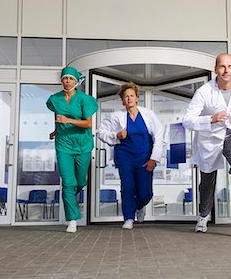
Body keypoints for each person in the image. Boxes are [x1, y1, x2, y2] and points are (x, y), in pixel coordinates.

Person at [183, 53, 231, 233]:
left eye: (230, 66)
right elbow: (188, 120)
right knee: (207, 179)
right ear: (215, 69)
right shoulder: (204, 91)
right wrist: (211, 119)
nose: (226, 70)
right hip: (210, 138)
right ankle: (203, 216)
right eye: (222, 66)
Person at [97, 82, 165, 230]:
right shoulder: (116, 116)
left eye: (131, 96)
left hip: (145, 158)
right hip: (124, 156)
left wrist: (154, 158)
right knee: (127, 187)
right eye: (125, 96)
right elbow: (100, 132)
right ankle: (128, 218)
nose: (129, 99)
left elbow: (159, 136)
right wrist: (116, 135)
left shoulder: (148, 114)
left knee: (145, 193)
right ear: (122, 100)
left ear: (137, 98)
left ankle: (139, 206)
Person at [46, 66, 99, 233]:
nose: (67, 81)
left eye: (70, 78)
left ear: (76, 81)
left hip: (83, 144)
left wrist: (67, 120)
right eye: (64, 78)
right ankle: (72, 219)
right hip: (63, 145)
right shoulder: (55, 99)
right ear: (61, 80)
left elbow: (88, 124)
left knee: (80, 181)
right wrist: (56, 129)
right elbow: (57, 117)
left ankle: (72, 198)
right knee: (68, 183)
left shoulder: (85, 99)